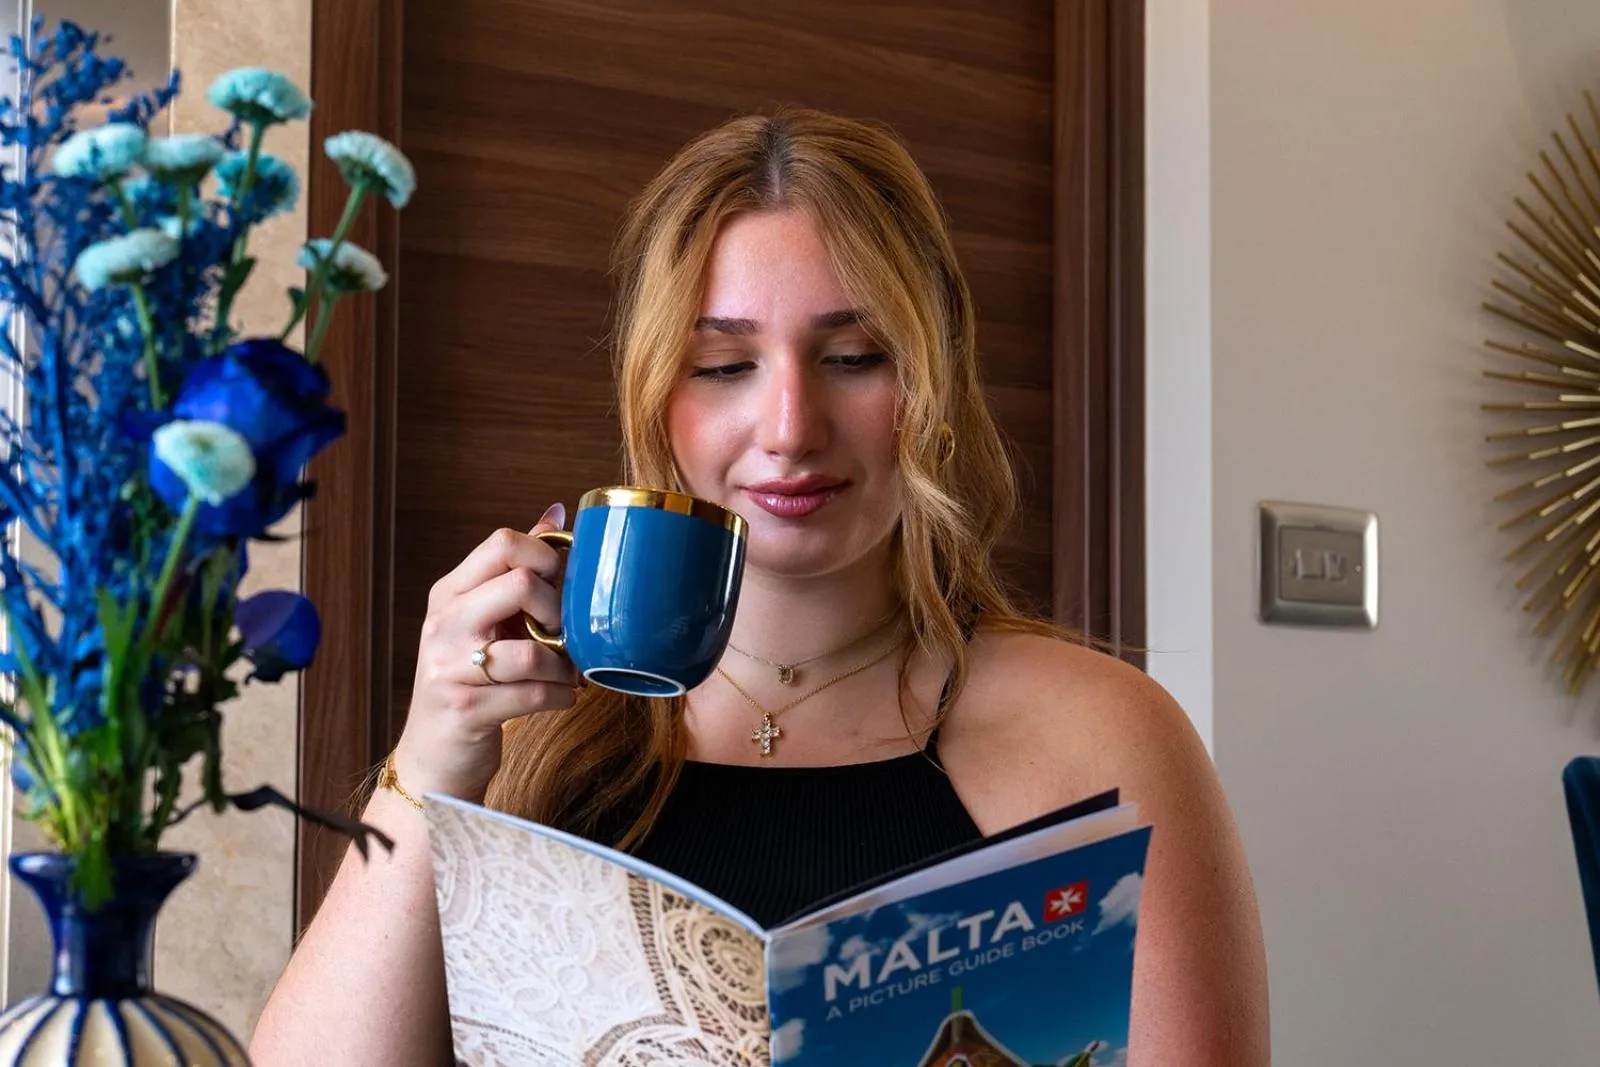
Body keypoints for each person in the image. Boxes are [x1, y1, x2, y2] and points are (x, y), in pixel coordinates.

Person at [250, 108, 1270, 1066]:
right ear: (657, 394)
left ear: (936, 380)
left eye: (852, 355)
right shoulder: (525, 730)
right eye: (724, 365)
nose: (788, 424)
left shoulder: (1102, 735)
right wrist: (431, 763)